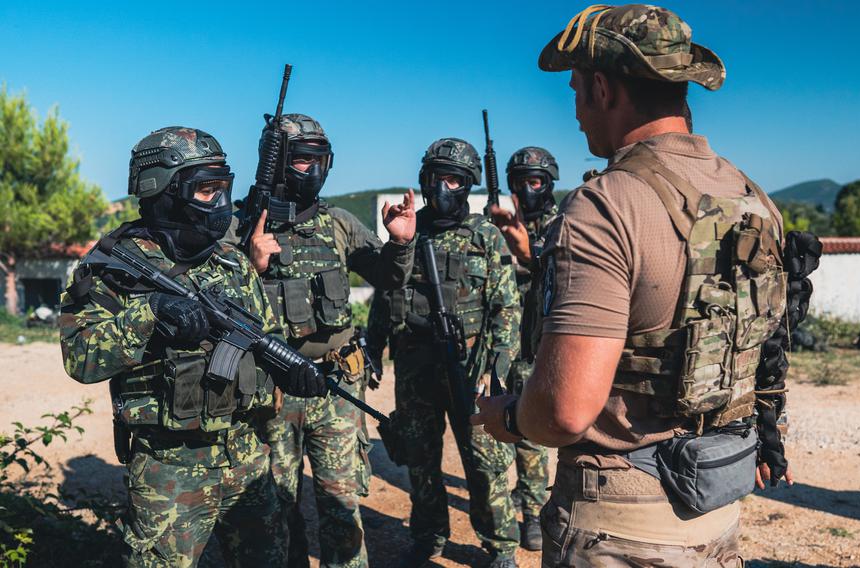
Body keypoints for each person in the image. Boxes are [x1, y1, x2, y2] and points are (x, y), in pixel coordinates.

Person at [473, 5, 792, 567]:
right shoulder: (753, 198)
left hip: (618, 528)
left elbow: (566, 410)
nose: (574, 112)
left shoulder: (606, 204)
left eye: (574, 90)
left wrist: (508, 415)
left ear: (602, 88)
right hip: (717, 508)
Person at [60, 126, 328, 566]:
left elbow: (266, 337)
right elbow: (80, 357)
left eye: (223, 188)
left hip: (248, 457)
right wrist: (151, 316)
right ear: (164, 191)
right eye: (206, 190)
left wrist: (291, 369)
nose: (221, 204)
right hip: (169, 466)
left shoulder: (231, 262)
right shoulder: (112, 265)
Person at [227, 114, 416, 568]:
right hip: (269, 393)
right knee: (273, 510)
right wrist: (251, 264)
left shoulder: (340, 224)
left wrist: (400, 243)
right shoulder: (239, 226)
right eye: (300, 160)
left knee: (341, 503)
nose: (311, 170)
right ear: (276, 163)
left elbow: (390, 277)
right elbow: (216, 305)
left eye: (319, 160)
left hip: (336, 386)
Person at [366, 138, 521, 567]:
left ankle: (501, 546)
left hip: (469, 367)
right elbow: (385, 295)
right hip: (416, 365)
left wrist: (498, 364)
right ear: (424, 179)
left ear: (468, 185)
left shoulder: (485, 236)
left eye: (454, 180)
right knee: (420, 461)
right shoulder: (408, 233)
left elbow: (505, 306)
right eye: (438, 178)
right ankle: (429, 536)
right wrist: (374, 348)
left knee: (484, 463)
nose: (443, 189)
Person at [490, 146, 561, 551]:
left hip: (538, 344)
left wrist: (526, 250)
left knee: (531, 431)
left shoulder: (562, 225)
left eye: (534, 182)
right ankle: (505, 506)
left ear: (548, 183)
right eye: (519, 183)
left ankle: (533, 512)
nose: (527, 190)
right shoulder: (495, 226)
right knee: (497, 424)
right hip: (500, 343)